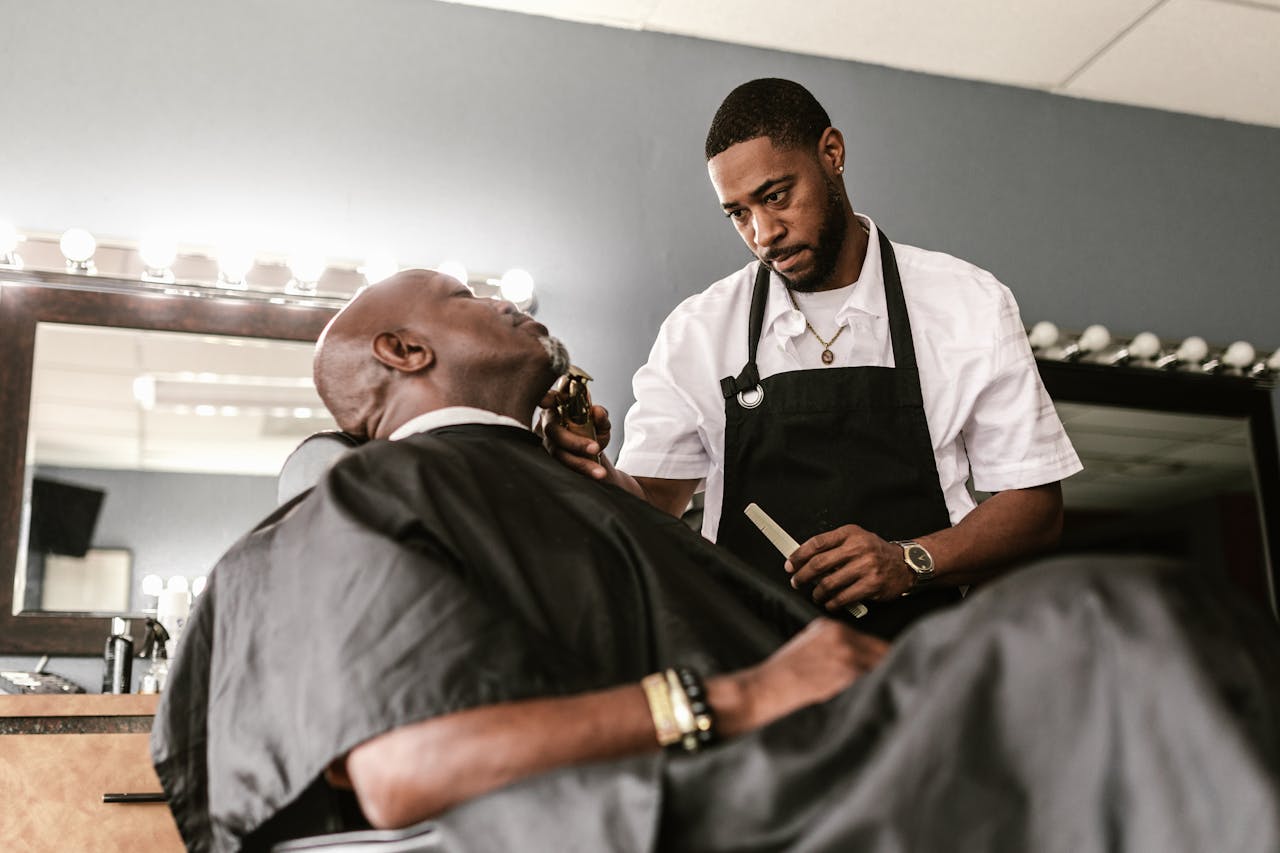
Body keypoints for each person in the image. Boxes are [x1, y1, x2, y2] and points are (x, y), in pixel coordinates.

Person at [152, 271, 1280, 853]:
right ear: (404, 350)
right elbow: (403, 767)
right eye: (469, 294)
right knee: (1104, 621)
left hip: (821, 746)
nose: (508, 300)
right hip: (710, 789)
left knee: (1123, 650)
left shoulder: (546, 487)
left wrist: (589, 489)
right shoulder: (361, 490)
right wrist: (738, 693)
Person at [544, 78, 1083, 638]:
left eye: (776, 196)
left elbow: (1034, 509)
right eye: (738, 213)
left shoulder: (966, 302)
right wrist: (595, 467)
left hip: (924, 668)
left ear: (832, 154)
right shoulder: (698, 331)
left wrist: (907, 562)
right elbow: (653, 501)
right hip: (756, 665)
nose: (764, 234)